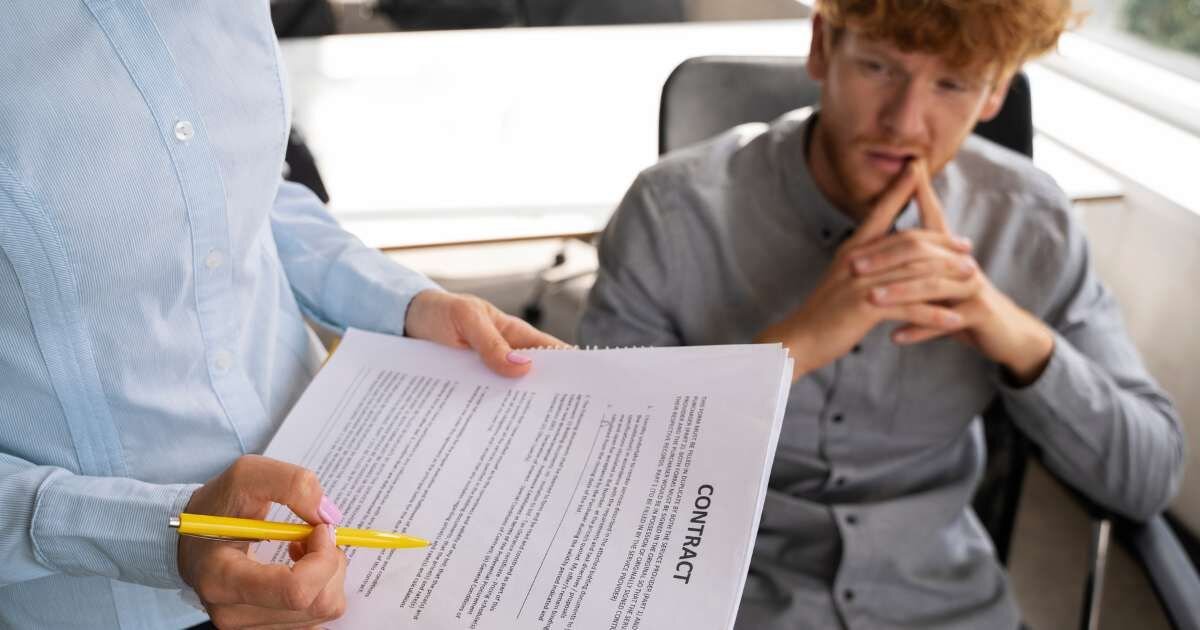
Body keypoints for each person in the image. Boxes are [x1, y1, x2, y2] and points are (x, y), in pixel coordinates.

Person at [578, 1, 1186, 628]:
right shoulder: (669, 211)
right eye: (878, 67)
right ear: (822, 46)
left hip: (945, 605)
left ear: (996, 91)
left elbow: (1145, 479)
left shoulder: (1030, 223)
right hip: (729, 598)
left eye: (952, 83)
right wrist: (795, 347)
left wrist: (1010, 330)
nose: (905, 122)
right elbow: (595, 484)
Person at [0, 2, 561, 629]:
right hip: (101, 607)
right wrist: (153, 535)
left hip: (346, 512)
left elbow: (249, 199)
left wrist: (405, 304)